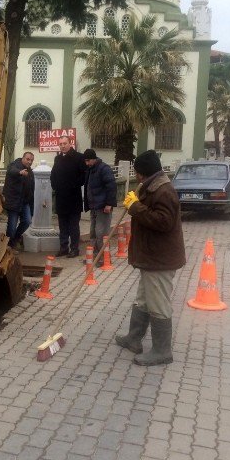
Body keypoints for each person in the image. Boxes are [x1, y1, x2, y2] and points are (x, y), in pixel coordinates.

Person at [115, 149, 185, 366]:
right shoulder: (151, 185)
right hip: (151, 257)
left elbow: (163, 222)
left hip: (159, 259)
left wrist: (135, 207)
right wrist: (136, 203)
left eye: (137, 172)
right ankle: (133, 339)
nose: (136, 176)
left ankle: (162, 351)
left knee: (158, 304)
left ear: (141, 173)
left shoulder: (164, 191)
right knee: (143, 300)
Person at [50, 136, 85, 257]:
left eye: (65, 143)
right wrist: (55, 186)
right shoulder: (57, 158)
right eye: (60, 144)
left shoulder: (79, 157)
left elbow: (83, 176)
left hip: (74, 198)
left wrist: (72, 185)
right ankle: (63, 248)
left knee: (74, 226)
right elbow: (53, 174)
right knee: (62, 225)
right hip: (61, 198)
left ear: (70, 144)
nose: (63, 146)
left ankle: (74, 249)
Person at [83, 149, 117, 264]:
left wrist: (109, 204)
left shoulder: (104, 169)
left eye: (88, 160)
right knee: (93, 233)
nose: (86, 163)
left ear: (94, 158)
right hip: (94, 207)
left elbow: (111, 186)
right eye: (85, 161)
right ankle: (94, 257)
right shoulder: (91, 170)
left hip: (103, 207)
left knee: (101, 233)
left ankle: (104, 258)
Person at [2, 151, 35, 250]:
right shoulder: (14, 165)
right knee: (12, 226)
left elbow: (31, 190)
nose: (29, 162)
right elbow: (11, 171)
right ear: (23, 158)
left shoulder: (30, 172)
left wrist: (31, 206)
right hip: (13, 202)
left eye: (31, 160)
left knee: (27, 221)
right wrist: (20, 172)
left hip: (25, 202)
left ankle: (15, 239)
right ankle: (9, 245)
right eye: (28, 159)